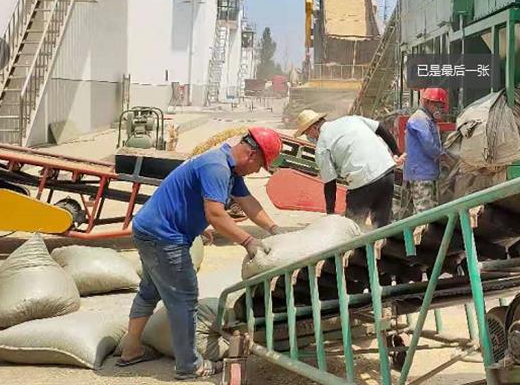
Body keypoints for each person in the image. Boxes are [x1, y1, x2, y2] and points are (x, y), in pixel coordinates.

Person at [117, 126, 285, 380]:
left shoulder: (227, 166)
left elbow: (248, 202)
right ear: (251, 155)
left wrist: (274, 229)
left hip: (150, 229)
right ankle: (189, 365)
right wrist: (249, 241)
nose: (256, 171)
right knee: (184, 299)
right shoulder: (216, 167)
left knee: (150, 291)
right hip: (164, 237)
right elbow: (216, 215)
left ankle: (131, 350)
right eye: (259, 166)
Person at [293, 109, 400, 228]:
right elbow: (381, 127)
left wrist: (330, 213)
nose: (308, 137)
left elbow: (330, 183)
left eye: (307, 133)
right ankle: (384, 237)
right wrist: (397, 152)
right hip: (387, 171)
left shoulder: (322, 146)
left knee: (352, 227)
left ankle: (358, 239)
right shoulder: (351, 119)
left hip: (363, 181)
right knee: (382, 225)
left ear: (314, 128)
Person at [402, 88, 448, 216]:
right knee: (424, 214)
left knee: (429, 210)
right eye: (437, 106)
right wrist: (443, 156)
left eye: (441, 106)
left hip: (426, 173)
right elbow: (428, 144)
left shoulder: (428, 120)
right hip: (421, 173)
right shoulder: (419, 119)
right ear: (427, 102)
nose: (440, 110)